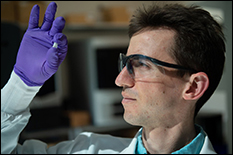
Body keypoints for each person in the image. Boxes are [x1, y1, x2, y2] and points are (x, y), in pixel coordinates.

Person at [1, 1, 225, 154]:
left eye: (142, 65)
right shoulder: (87, 149)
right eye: (126, 64)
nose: (120, 80)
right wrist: (21, 85)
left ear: (193, 87)